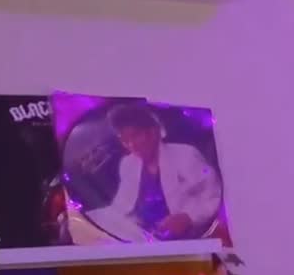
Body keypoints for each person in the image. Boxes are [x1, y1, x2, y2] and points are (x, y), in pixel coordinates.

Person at [88, 102, 223, 242]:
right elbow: (121, 206)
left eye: (135, 136)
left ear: (153, 132)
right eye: (125, 140)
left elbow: (214, 196)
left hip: (177, 237)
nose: (131, 145)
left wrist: (189, 217)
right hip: (137, 231)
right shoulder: (127, 163)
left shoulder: (185, 155)